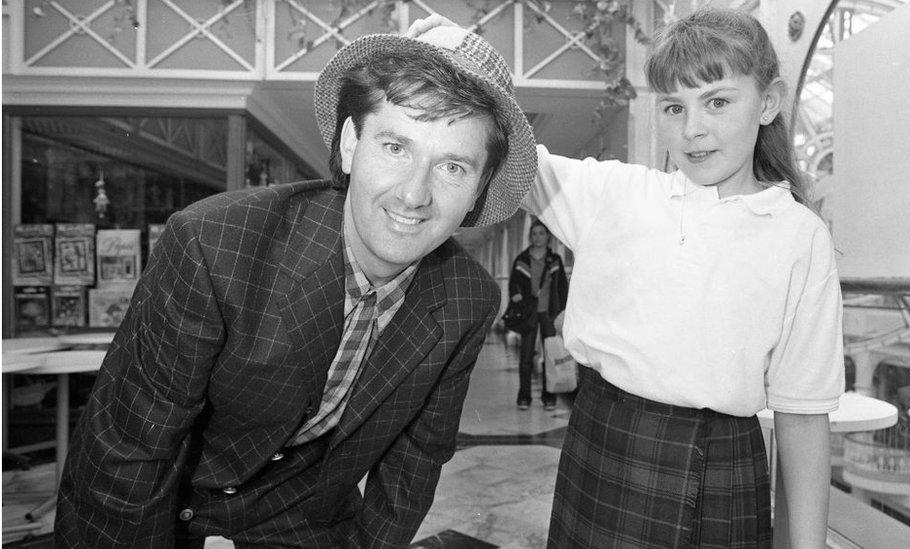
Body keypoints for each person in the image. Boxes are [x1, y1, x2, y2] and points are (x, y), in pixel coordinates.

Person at [54, 25, 536, 548]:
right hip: (170, 499)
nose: (415, 194)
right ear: (351, 145)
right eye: (396, 146)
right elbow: (130, 446)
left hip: (306, 518)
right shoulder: (214, 243)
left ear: (478, 192)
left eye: (452, 166)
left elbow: (414, 464)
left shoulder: (467, 300)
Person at [410, 7, 843, 548]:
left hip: (722, 472)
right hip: (602, 443)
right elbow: (515, 155)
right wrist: (462, 61)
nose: (693, 129)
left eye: (718, 101)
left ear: (769, 103)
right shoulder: (619, 195)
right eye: (673, 106)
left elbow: (802, 418)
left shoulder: (799, 236)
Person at [508, 218, 569, 411]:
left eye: (541, 233)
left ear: (548, 237)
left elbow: (562, 287)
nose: (537, 237)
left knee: (550, 355)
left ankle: (548, 396)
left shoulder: (555, 260)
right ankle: (524, 397)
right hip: (529, 313)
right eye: (534, 233)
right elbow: (513, 283)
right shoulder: (522, 259)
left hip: (549, 314)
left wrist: (563, 312)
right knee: (526, 356)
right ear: (530, 236)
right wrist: (516, 295)